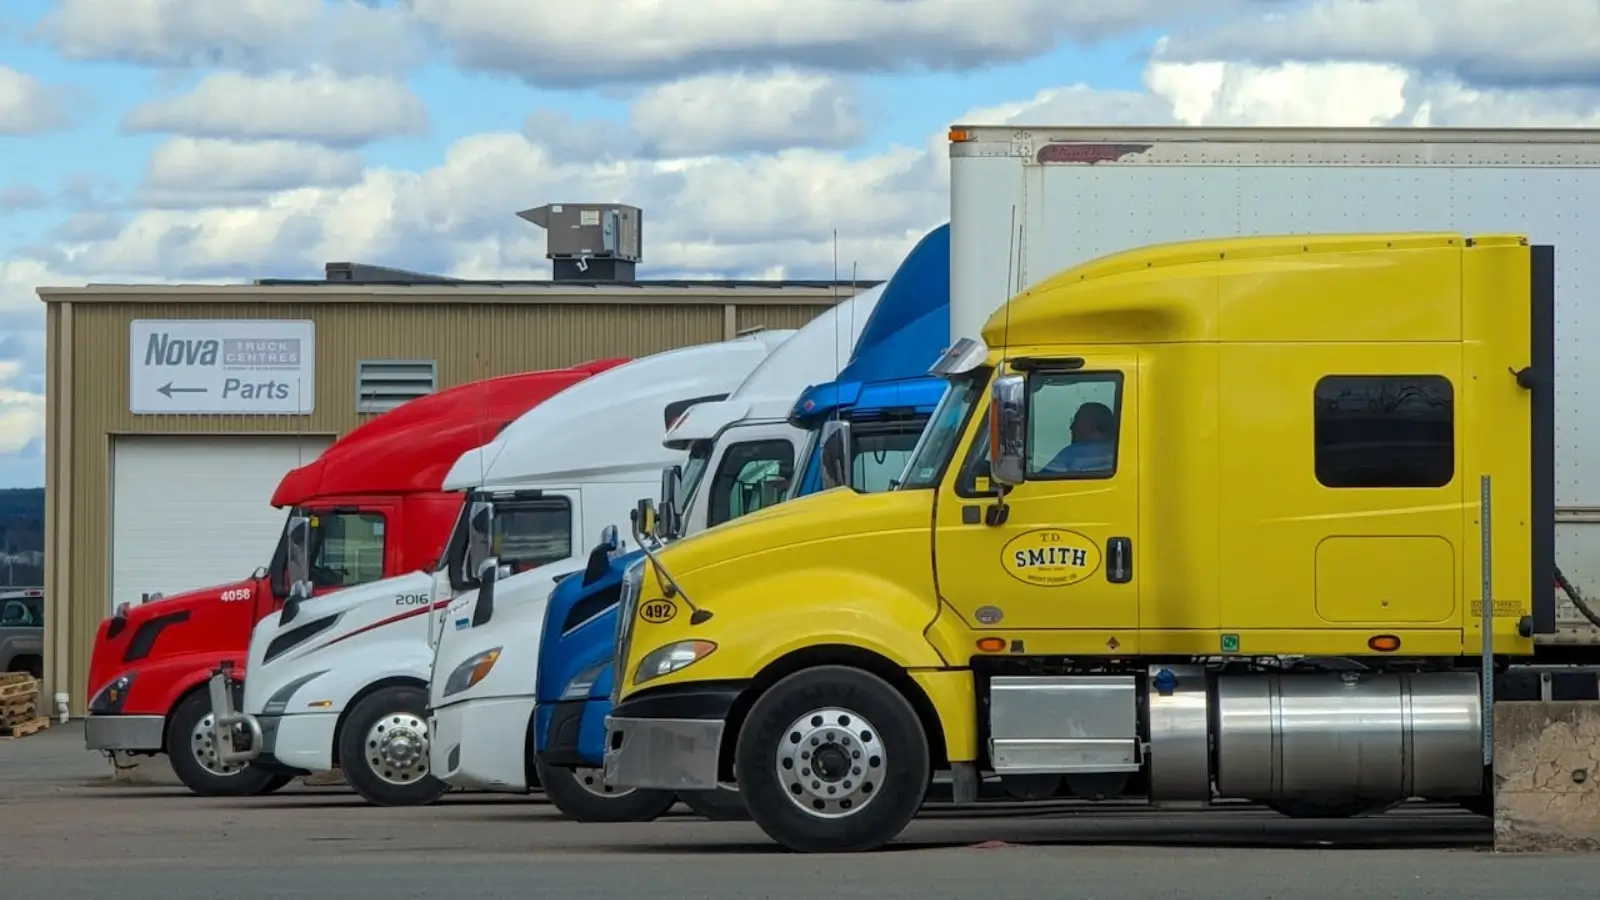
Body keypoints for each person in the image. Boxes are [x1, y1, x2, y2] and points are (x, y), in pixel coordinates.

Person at [1042, 401, 1116, 475]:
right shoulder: (1119, 452)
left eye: (1076, 421)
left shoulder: (1074, 453)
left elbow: (1041, 482)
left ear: (1090, 426)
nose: (1071, 427)